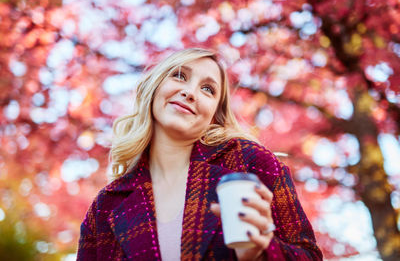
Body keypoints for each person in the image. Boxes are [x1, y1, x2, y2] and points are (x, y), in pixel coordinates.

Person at [77, 48, 323, 261]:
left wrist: (261, 253)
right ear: (153, 89)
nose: (190, 92)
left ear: (215, 115)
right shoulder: (106, 206)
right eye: (179, 76)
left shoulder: (250, 164)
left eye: (207, 89)